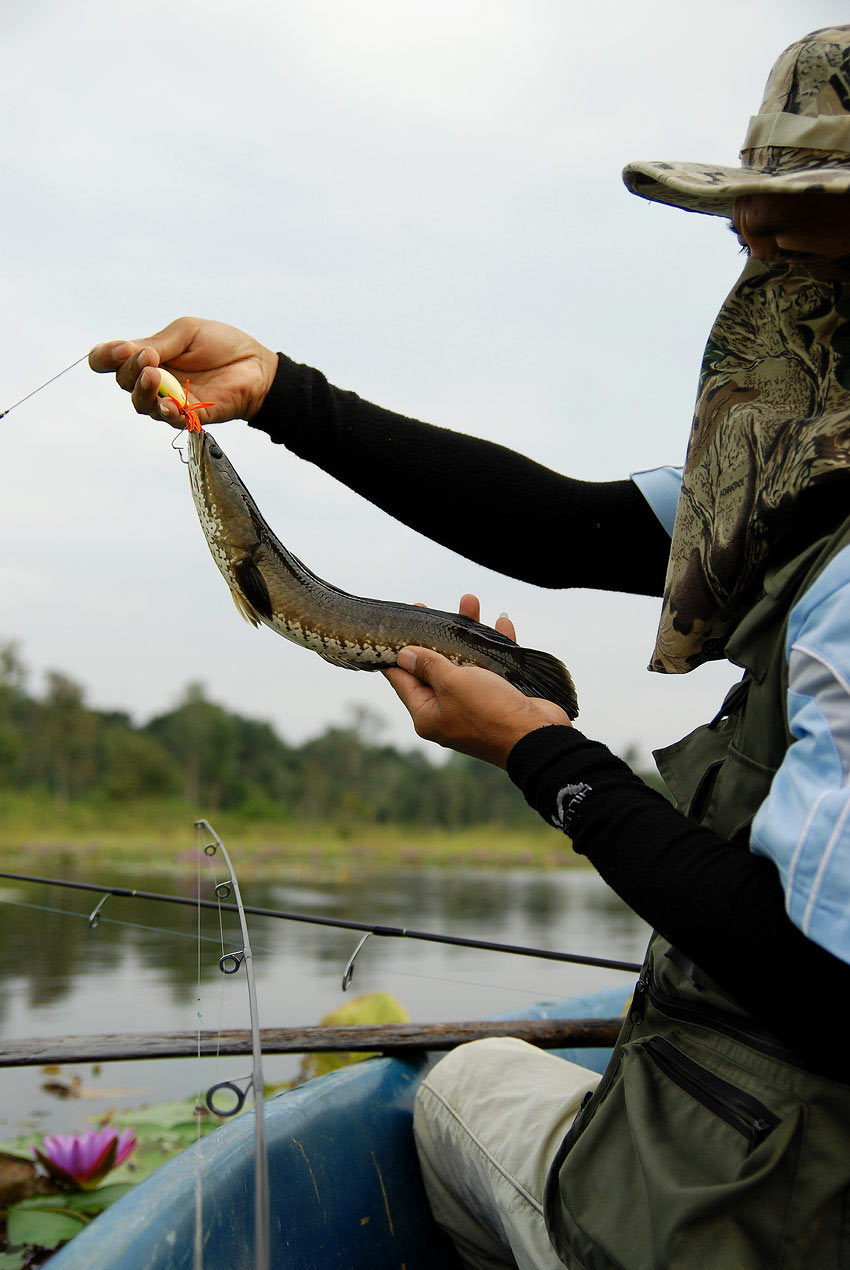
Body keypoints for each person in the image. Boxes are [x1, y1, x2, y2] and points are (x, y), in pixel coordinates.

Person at [90, 26, 850, 1268]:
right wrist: (282, 392)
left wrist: (545, 755)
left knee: (455, 1088)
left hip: (770, 1211)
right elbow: (559, 524)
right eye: (748, 221)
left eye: (793, 224)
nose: (750, 252)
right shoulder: (803, 479)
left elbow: (823, 984)